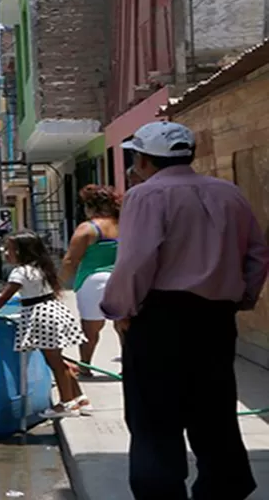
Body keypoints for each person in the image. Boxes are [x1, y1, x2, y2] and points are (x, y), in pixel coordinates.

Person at [100, 121, 268, 500]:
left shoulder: (145, 196)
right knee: (215, 411)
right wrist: (240, 299)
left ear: (143, 159)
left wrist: (119, 309)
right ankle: (222, 489)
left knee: (154, 418)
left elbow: (136, 262)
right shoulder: (230, 194)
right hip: (215, 319)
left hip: (159, 317)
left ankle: (161, 491)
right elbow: (257, 254)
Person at [0, 231, 89, 418]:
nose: (6, 253)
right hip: (52, 311)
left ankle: (66, 404)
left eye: (10, 250)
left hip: (42, 317)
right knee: (59, 361)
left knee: (55, 363)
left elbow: (4, 297)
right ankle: (79, 398)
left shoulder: (20, 272)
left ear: (23, 252)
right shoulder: (40, 267)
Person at [59, 185, 125, 377]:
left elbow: (71, 261)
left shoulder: (88, 228)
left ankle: (86, 367)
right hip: (120, 278)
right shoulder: (124, 225)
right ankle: (127, 367)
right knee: (122, 326)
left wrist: (57, 285)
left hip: (93, 281)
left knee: (90, 328)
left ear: (90, 206)